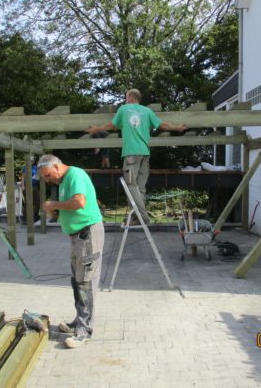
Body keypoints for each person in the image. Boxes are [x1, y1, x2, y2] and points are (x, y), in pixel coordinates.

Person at [87, 89, 186, 224]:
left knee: (131, 186)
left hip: (131, 154)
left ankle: (143, 217)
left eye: (126, 97)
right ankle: (136, 217)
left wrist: (96, 129)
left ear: (130, 98)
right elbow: (162, 125)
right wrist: (176, 128)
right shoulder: (147, 111)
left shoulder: (124, 109)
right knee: (140, 187)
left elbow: (112, 125)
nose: (125, 100)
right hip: (144, 154)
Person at [38, 154, 104, 349]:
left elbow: (79, 202)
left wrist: (54, 205)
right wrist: (56, 211)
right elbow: (71, 207)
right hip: (79, 236)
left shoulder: (75, 174)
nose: (49, 180)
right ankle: (79, 321)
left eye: (49, 175)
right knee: (77, 281)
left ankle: (84, 331)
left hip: (87, 234)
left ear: (57, 167)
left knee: (85, 283)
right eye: (46, 178)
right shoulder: (65, 180)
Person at [21, 156, 40, 224]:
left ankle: (35, 215)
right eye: (30, 160)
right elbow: (23, 177)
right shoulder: (25, 167)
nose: (31, 162)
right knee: (28, 202)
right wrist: (23, 186)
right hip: (27, 186)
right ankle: (26, 218)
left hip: (34, 186)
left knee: (38, 201)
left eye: (32, 160)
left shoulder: (35, 167)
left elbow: (38, 176)